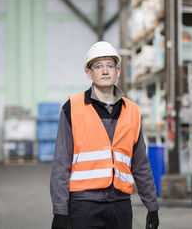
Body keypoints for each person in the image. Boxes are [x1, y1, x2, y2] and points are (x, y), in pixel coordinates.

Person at [50, 41, 159, 229]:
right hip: (83, 205)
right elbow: (61, 163)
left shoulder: (132, 111)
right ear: (89, 73)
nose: (105, 71)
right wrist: (60, 210)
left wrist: (152, 205)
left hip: (120, 205)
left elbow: (141, 163)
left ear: (118, 71)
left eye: (110, 65)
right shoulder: (72, 108)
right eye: (98, 66)